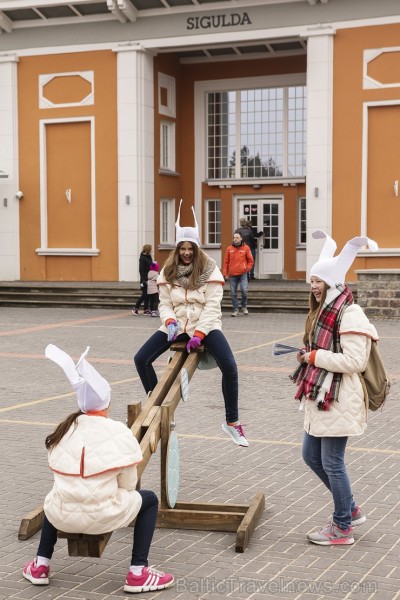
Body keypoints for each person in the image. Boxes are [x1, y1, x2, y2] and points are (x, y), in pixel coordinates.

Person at [22, 344, 174, 593]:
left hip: (62, 516)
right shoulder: (118, 432)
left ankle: (40, 565)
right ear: (106, 404)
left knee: (57, 495)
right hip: (104, 517)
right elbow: (127, 485)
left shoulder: (63, 431)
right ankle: (138, 572)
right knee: (149, 499)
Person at [134, 200, 249, 447]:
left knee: (230, 366)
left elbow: (212, 307)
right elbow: (164, 302)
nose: (186, 252)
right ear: (177, 249)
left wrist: (199, 333)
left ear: (196, 249)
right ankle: (157, 404)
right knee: (140, 358)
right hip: (176, 326)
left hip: (204, 326)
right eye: (182, 248)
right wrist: (170, 321)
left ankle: (232, 422)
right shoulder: (168, 271)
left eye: (190, 248)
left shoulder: (209, 269)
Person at [291, 230, 379, 546]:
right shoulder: (322, 312)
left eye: (319, 280)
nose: (313, 286)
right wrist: (307, 356)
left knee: (332, 462)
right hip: (322, 396)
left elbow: (355, 360)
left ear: (332, 283)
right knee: (310, 455)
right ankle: (350, 508)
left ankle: (342, 526)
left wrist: (315, 356)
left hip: (340, 398)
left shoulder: (350, 312)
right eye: (312, 280)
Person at [223, 232, 254, 317]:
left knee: (244, 291)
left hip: (243, 274)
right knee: (233, 293)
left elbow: (251, 261)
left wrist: (246, 269)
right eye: (234, 237)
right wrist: (225, 273)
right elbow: (226, 262)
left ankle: (244, 306)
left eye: (237, 237)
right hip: (232, 274)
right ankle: (235, 309)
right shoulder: (229, 249)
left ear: (241, 238)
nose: (235, 239)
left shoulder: (246, 248)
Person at [132, 244, 152, 316]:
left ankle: (146, 309)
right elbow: (141, 269)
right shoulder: (142, 258)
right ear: (148, 249)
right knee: (144, 294)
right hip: (144, 279)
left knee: (148, 295)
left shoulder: (149, 257)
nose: (151, 250)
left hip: (149, 278)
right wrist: (143, 279)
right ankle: (136, 308)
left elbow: (151, 266)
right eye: (150, 249)